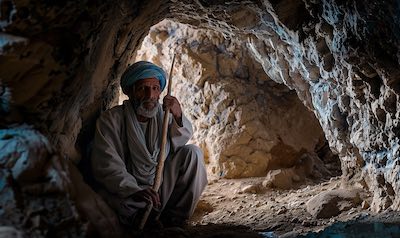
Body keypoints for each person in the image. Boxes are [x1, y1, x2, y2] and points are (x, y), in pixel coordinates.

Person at [90, 61, 207, 229]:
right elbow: (107, 163)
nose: (150, 95)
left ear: (160, 92)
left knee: (193, 153)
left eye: (155, 88)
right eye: (142, 88)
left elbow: (180, 141)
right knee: (111, 207)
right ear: (129, 92)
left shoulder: (164, 115)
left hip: (160, 187)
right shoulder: (112, 120)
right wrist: (134, 190)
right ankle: (142, 219)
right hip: (129, 191)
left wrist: (178, 114)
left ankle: (175, 219)